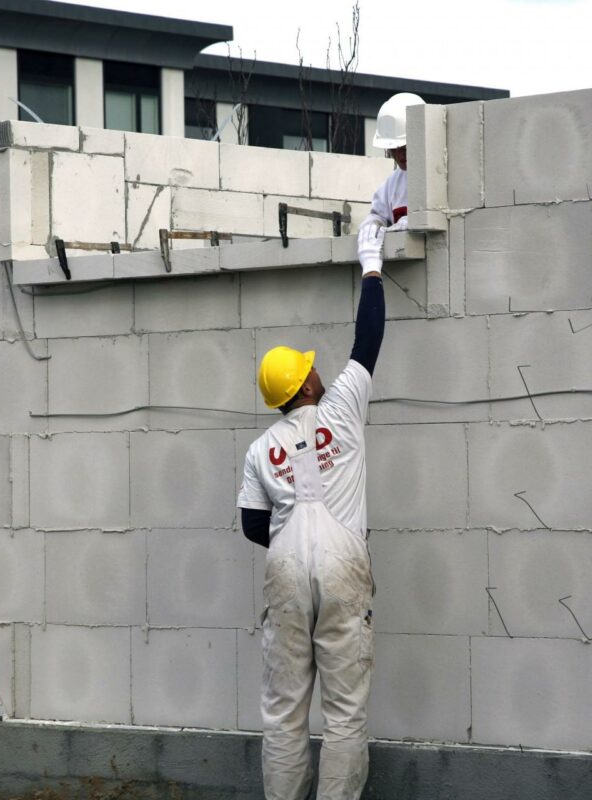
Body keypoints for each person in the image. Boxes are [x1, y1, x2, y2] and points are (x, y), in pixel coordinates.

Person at [237, 222, 387, 800]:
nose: (318, 370)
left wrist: (291, 536)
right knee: (345, 712)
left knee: (284, 711)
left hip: (285, 567)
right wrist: (370, 264)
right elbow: (368, 339)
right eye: (309, 369)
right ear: (304, 388)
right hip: (343, 559)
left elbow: (255, 526)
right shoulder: (342, 409)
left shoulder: (259, 449)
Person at [362, 92, 425, 233]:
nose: (399, 155)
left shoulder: (440, 174)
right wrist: (372, 225)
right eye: (393, 149)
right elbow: (377, 214)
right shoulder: (392, 184)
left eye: (404, 147)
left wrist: (411, 222)